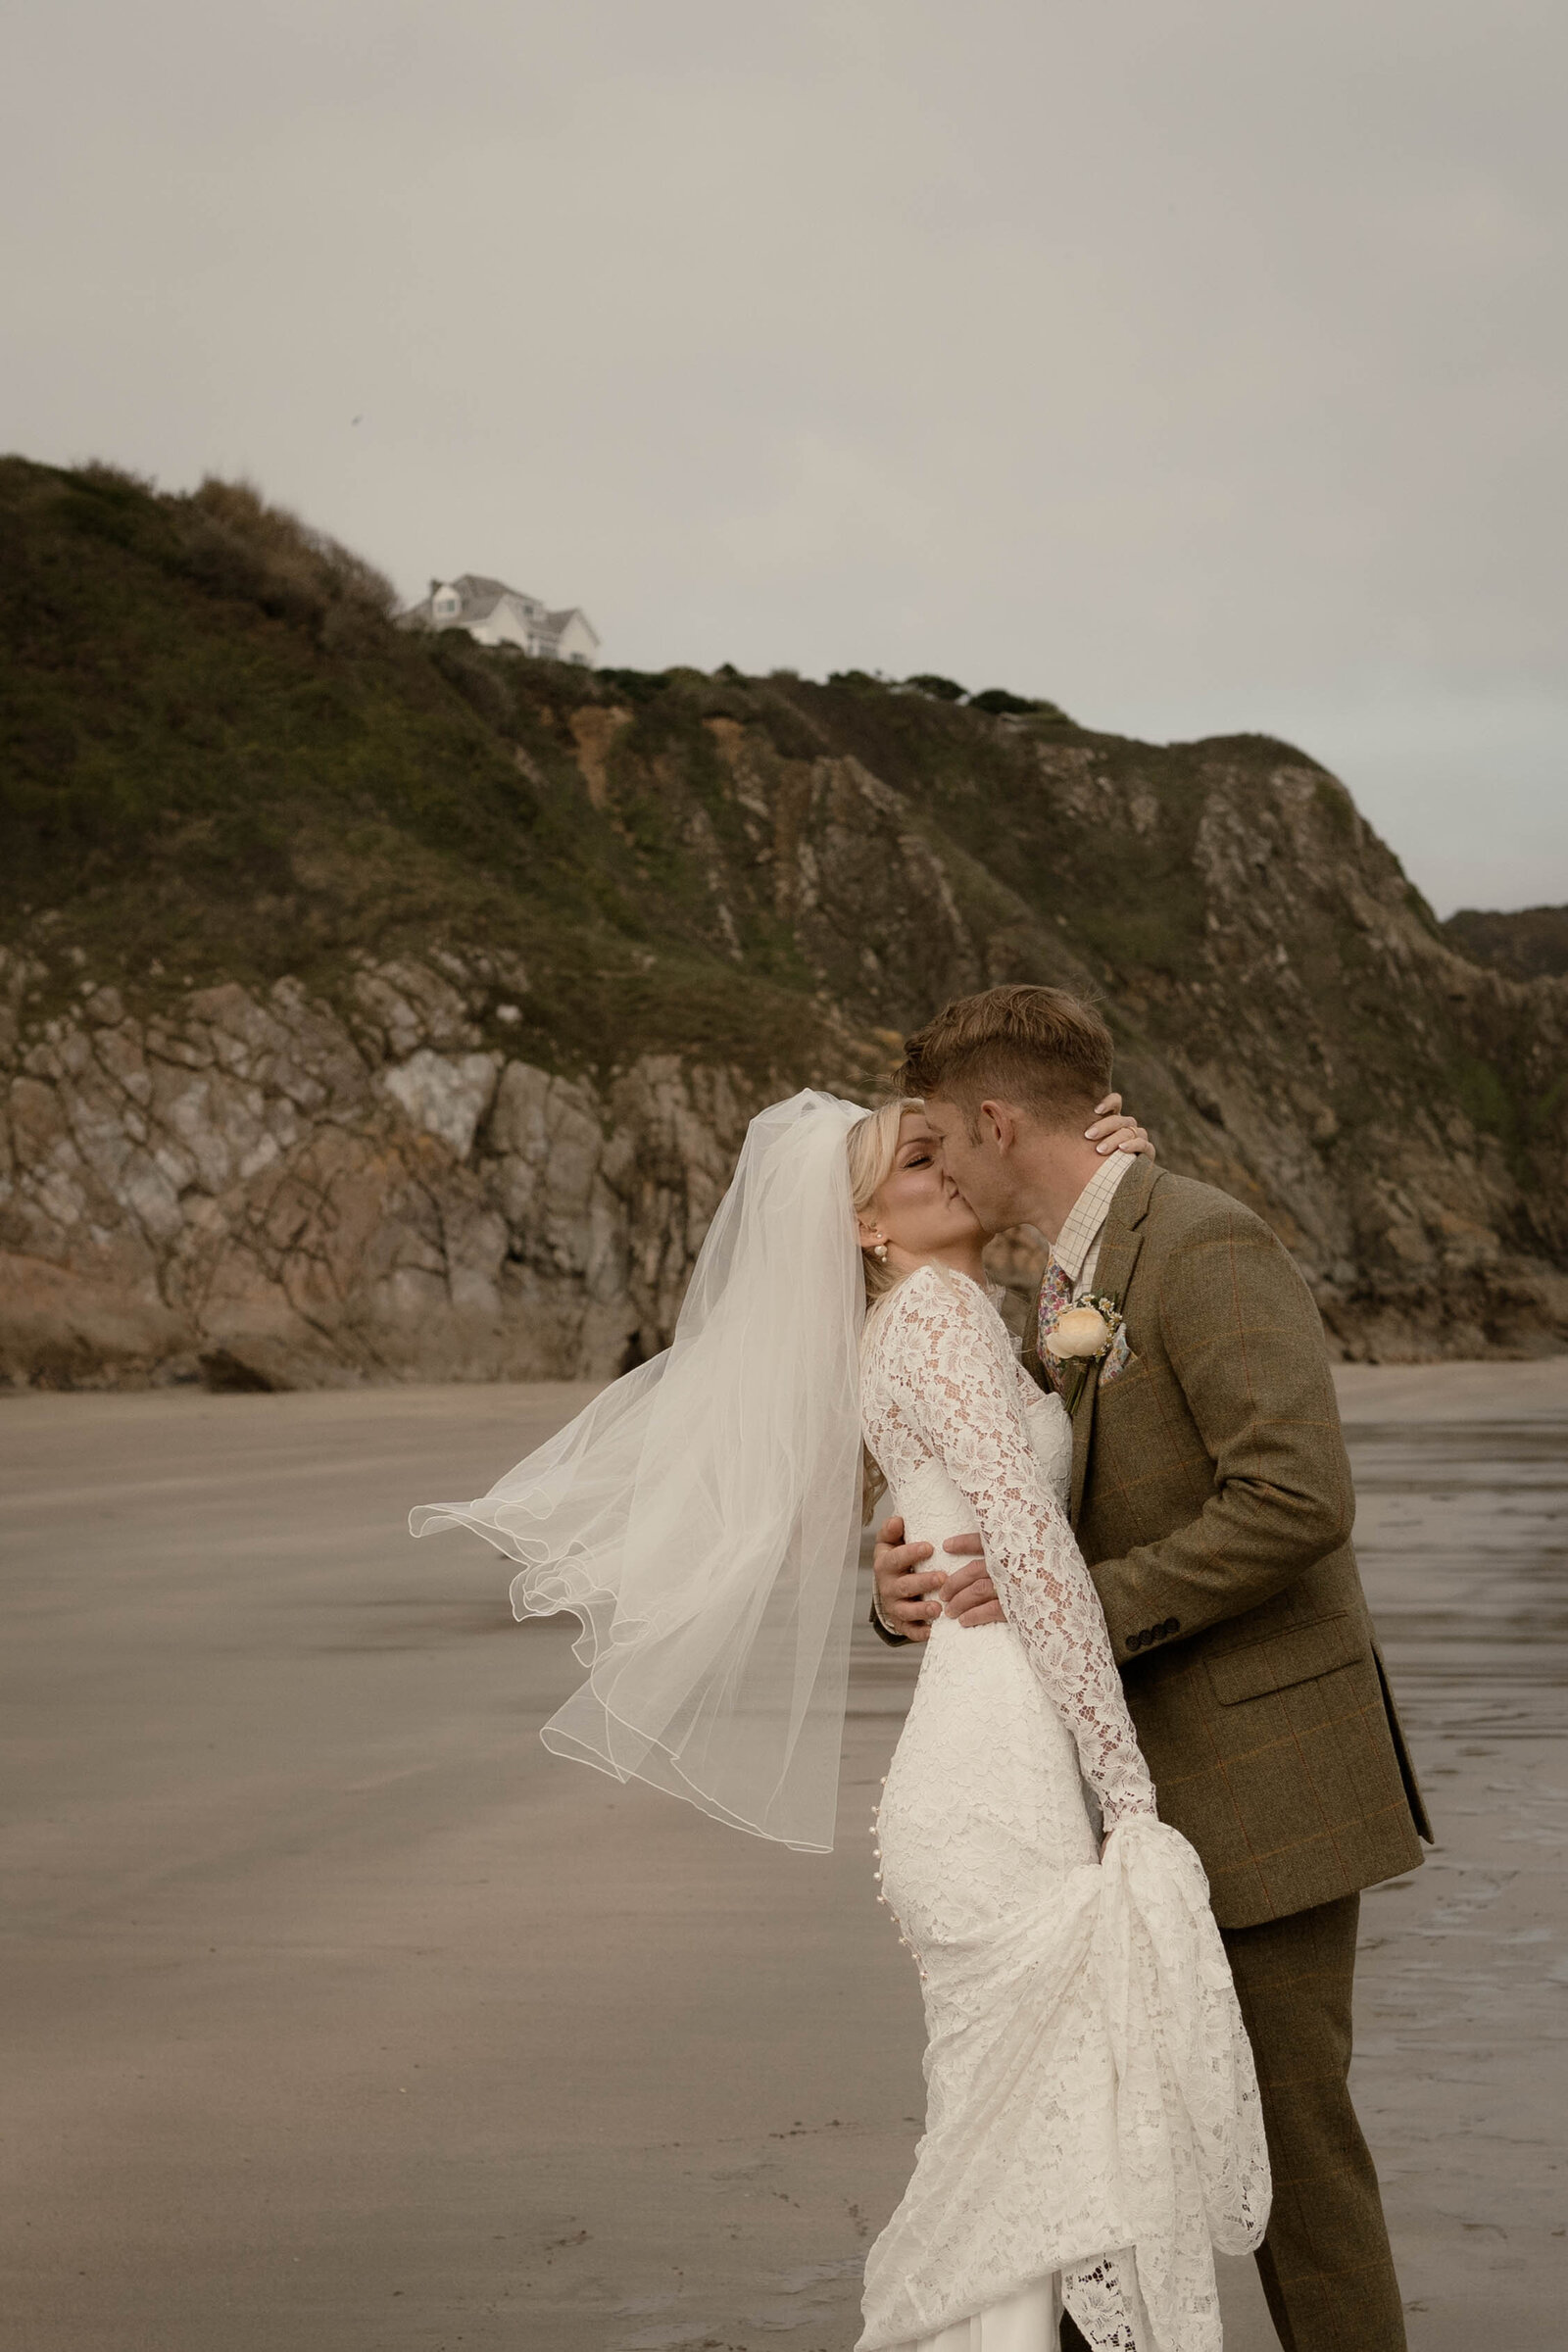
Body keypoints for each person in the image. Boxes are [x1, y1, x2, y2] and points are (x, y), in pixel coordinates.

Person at [412, 1080, 1269, 2352]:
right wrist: (1128, 1789)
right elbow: (1026, 1551)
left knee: (1024, 2159)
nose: (953, 1168)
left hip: (987, 1758)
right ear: (870, 1229)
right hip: (999, 1781)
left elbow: (972, 1510)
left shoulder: (952, 1317)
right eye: (919, 1162)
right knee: (1026, 2167)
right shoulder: (934, 1325)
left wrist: (1105, 1196)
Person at [869, 985, 1431, 2352]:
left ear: (999, 1121)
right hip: (1090, 1799)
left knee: (1296, 2160)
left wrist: (1080, 1602)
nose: (936, 1162)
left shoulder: (1203, 1243)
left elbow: (1297, 1497)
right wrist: (903, 1597)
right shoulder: (1075, 1270)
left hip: (1268, 1781)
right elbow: (1007, 1497)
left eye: (941, 1137)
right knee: (1096, 2157)